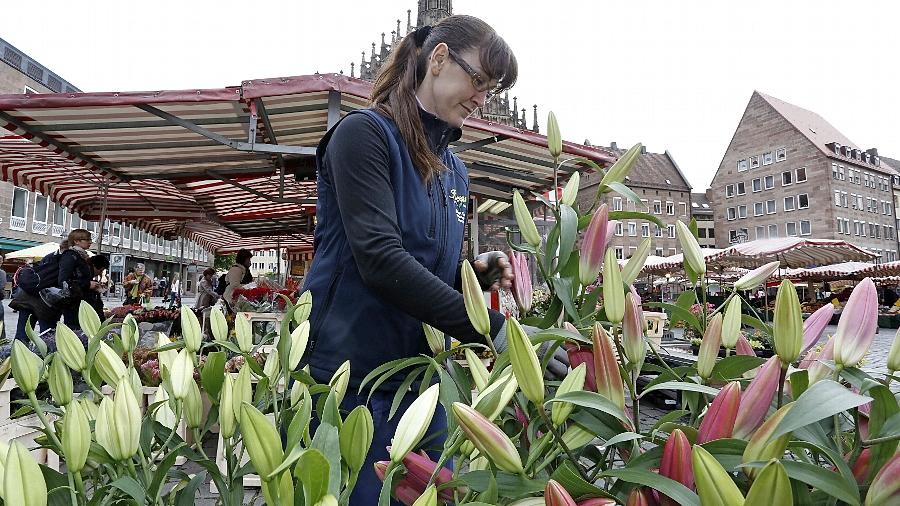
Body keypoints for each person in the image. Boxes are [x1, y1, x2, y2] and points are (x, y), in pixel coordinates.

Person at [301, 16, 567, 504]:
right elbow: (380, 259)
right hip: (349, 381)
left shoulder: (455, 171)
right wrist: (497, 331)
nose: (483, 98)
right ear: (439, 58)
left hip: (421, 384)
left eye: (493, 88)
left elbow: (433, 270)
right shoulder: (363, 136)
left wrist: (483, 272)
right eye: (480, 80)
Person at [57, 229, 99, 330]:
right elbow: (64, 280)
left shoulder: (82, 256)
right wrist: (88, 284)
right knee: (76, 330)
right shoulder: (70, 256)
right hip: (74, 303)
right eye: (87, 239)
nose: (90, 242)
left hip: (82, 301)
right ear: (76, 241)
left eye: (90, 239)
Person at [84, 255, 111, 319]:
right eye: (101, 270)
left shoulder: (88, 275)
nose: (100, 273)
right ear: (94, 266)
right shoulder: (85, 275)